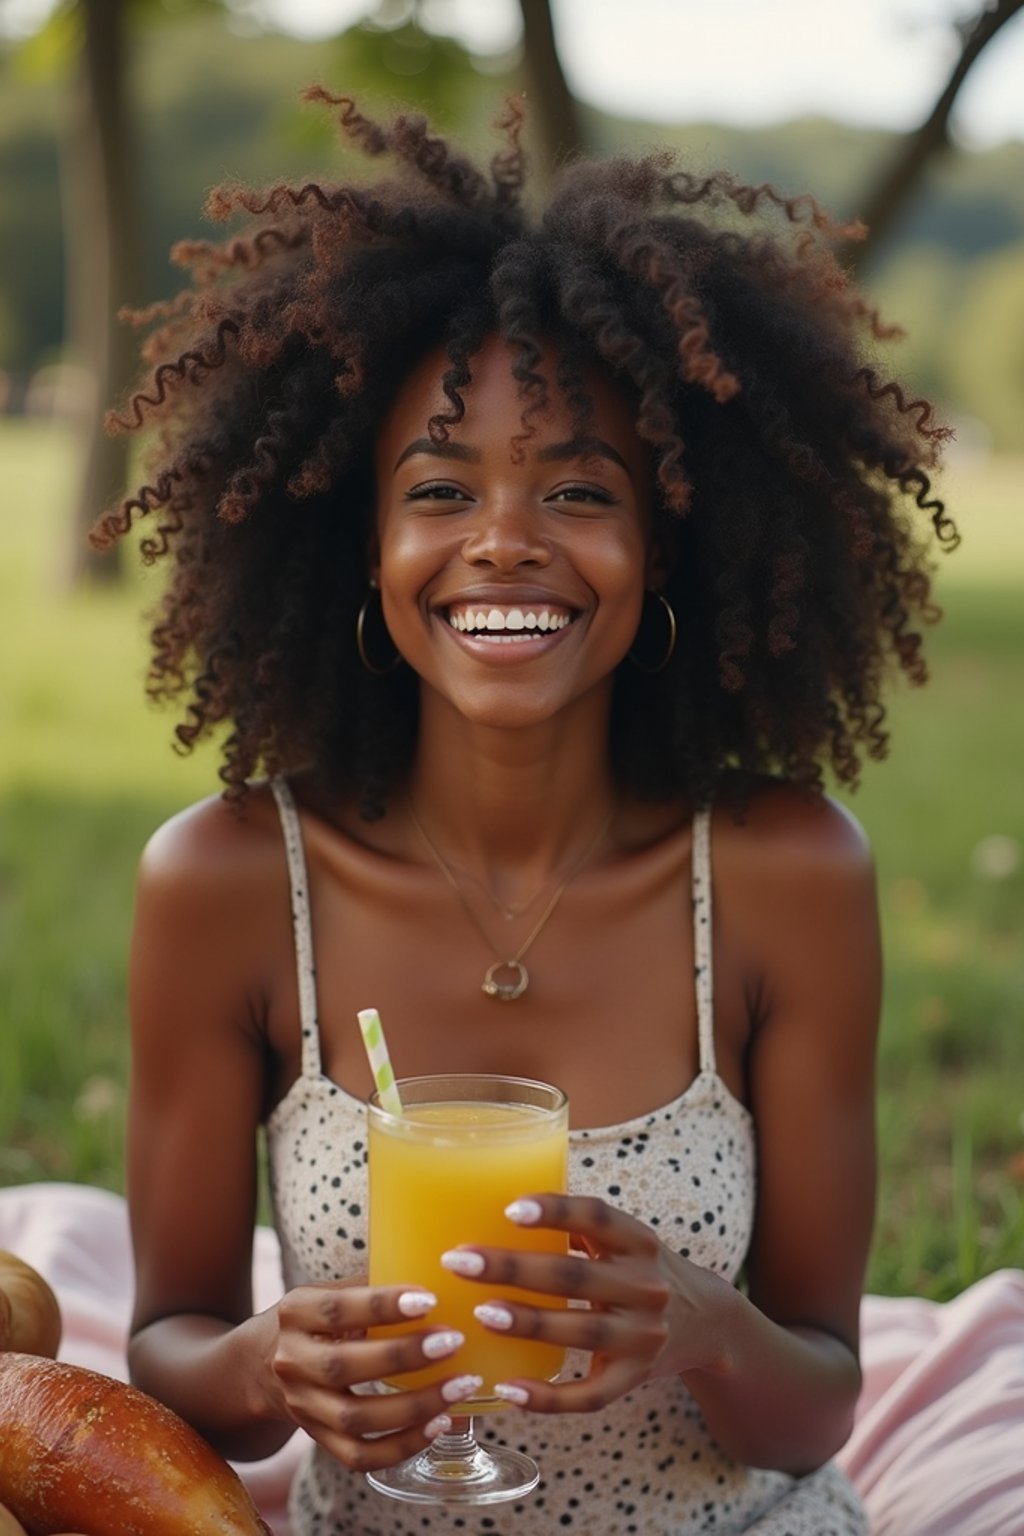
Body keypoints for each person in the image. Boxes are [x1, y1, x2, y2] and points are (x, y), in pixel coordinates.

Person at [93, 92, 956, 1536]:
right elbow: (172, 1347)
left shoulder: (782, 874)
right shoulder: (228, 882)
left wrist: (700, 1323)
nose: (505, 538)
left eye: (577, 487)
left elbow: (816, 1399)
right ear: (355, 541)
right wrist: (266, 1360)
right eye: (440, 488)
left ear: (665, 538)